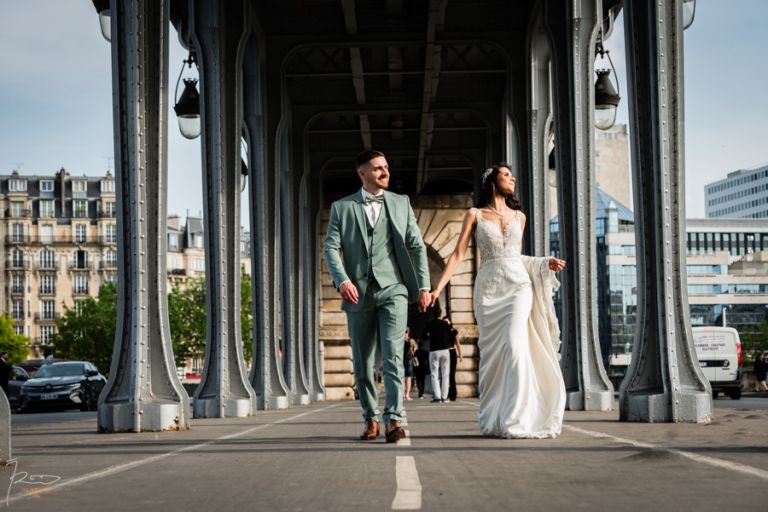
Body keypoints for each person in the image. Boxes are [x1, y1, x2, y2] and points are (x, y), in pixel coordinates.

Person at [430, 163, 566, 439]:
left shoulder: (520, 217)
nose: (513, 178)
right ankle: (494, 416)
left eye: (512, 174)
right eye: (506, 174)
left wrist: (543, 262)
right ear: (492, 181)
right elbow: (457, 255)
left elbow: (515, 257)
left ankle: (515, 421)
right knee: (493, 355)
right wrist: (435, 291)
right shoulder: (475, 214)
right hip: (489, 291)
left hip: (518, 287)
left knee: (516, 347)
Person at [323, 149, 431, 443]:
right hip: (358, 293)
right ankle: (370, 418)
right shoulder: (342, 208)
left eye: (386, 166)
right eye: (378, 168)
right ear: (362, 174)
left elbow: (416, 246)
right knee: (363, 361)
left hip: (393, 288)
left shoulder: (401, 203)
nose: (385, 172)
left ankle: (393, 419)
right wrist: (342, 279)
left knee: (394, 355)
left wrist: (423, 286)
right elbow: (331, 249)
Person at [423, 307, 454, 403]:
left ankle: (437, 397)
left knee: (434, 374)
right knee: (445, 374)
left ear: (433, 314)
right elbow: (452, 335)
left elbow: (423, 336)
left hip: (434, 351)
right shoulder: (445, 324)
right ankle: (444, 397)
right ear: (441, 314)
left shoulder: (429, 324)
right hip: (445, 350)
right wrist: (448, 344)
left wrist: (429, 336)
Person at [444, 316, 463, 402]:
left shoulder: (454, 331)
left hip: (452, 352)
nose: (446, 323)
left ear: (450, 322)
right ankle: (445, 393)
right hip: (444, 352)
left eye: (447, 321)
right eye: (444, 321)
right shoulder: (442, 331)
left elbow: (458, 343)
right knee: (445, 374)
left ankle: (453, 394)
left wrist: (460, 355)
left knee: (452, 374)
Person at [403, 329, 417, 400]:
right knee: (406, 378)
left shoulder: (409, 341)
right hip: (406, 360)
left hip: (406, 360)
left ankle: (405, 395)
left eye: (405, 332)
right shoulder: (410, 340)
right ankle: (406, 395)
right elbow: (415, 349)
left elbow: (415, 349)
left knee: (406, 378)